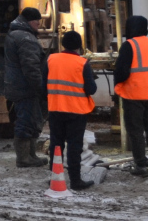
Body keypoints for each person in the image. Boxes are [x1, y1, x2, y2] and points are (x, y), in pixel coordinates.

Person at [46, 30, 97, 191]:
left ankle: (55, 177)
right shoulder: (82, 63)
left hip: (55, 108)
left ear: (63, 44)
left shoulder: (51, 59)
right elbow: (91, 89)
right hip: (76, 111)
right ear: (79, 46)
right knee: (74, 146)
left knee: (56, 144)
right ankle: (75, 181)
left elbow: (43, 85)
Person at [114, 15, 148, 176]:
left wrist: (118, 88)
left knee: (136, 131)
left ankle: (141, 165)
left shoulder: (129, 45)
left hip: (134, 93)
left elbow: (121, 71)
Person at [4, 7, 46, 168]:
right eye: (37, 21)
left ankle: (29, 155)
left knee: (29, 119)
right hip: (25, 88)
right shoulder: (26, 38)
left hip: (18, 85)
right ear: (30, 21)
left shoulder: (15, 33)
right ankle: (24, 158)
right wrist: (40, 88)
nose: (39, 25)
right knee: (27, 121)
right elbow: (31, 67)